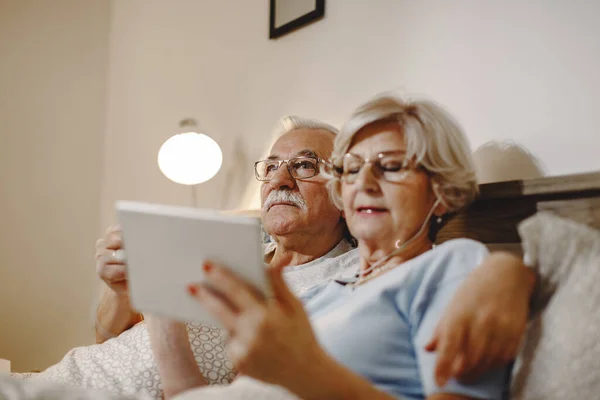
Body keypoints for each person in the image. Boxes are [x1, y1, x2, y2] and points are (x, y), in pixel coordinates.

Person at [149, 94, 535, 400]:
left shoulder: (451, 267)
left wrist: (307, 370)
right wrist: (160, 309)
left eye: (392, 166)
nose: (363, 182)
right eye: (350, 168)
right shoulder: (322, 295)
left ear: (442, 192)